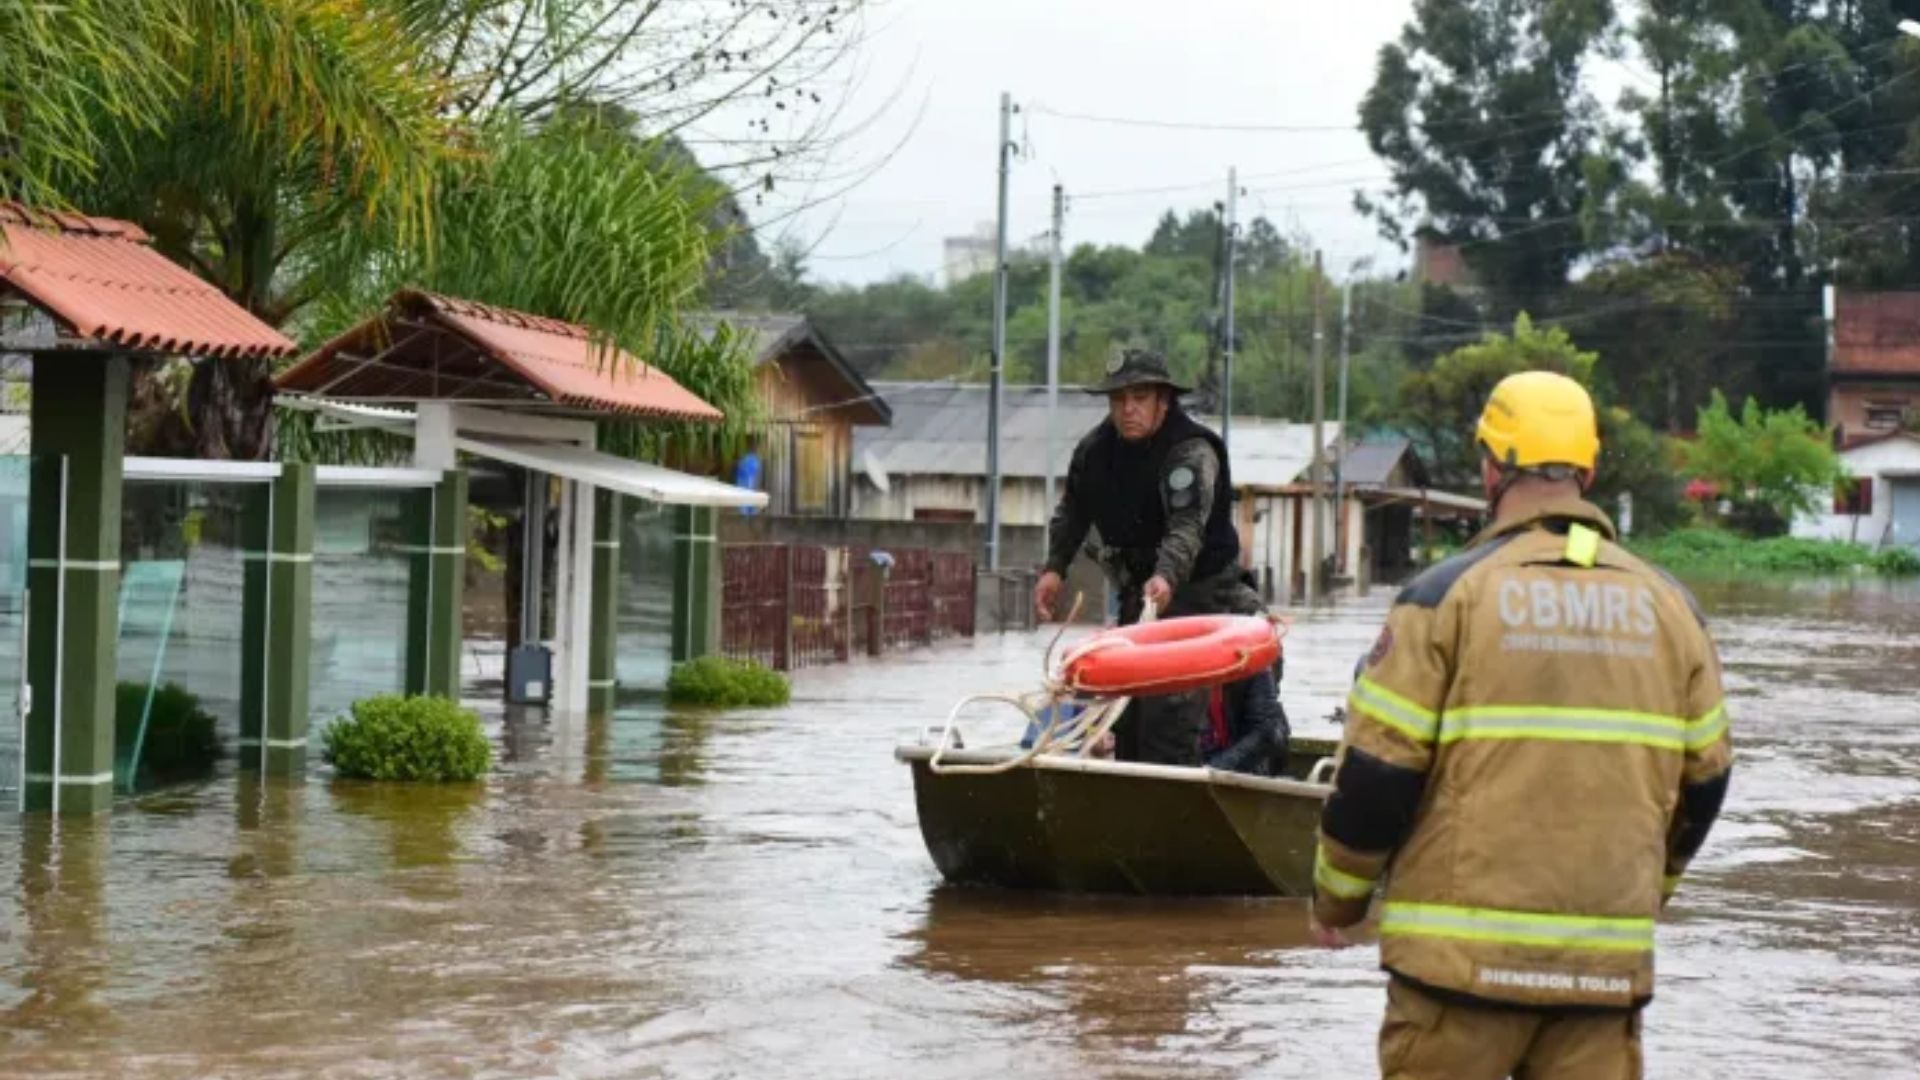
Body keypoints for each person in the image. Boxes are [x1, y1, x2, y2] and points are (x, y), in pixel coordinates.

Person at [1308, 371, 1733, 1080]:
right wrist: (1648, 888)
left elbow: (1378, 775)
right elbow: (1708, 783)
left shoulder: (1444, 599)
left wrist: (1338, 901)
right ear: (1589, 470)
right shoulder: (1673, 611)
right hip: (1600, 983)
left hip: (1454, 982)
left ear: (1491, 467)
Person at [1032, 347, 1264, 765]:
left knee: (1168, 720)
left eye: (1139, 397)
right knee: (1125, 716)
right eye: (1119, 399)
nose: (1128, 409)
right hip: (1140, 595)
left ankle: (1173, 808)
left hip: (1201, 593)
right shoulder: (1095, 451)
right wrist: (1054, 569)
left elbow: (1186, 526)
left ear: (1163, 400)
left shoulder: (1190, 451)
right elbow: (1073, 511)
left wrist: (1166, 576)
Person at [1202, 666, 1289, 776]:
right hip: (1191, 761)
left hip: (1244, 765)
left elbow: (1264, 731)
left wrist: (1216, 767)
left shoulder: (1256, 663)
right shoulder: (1178, 657)